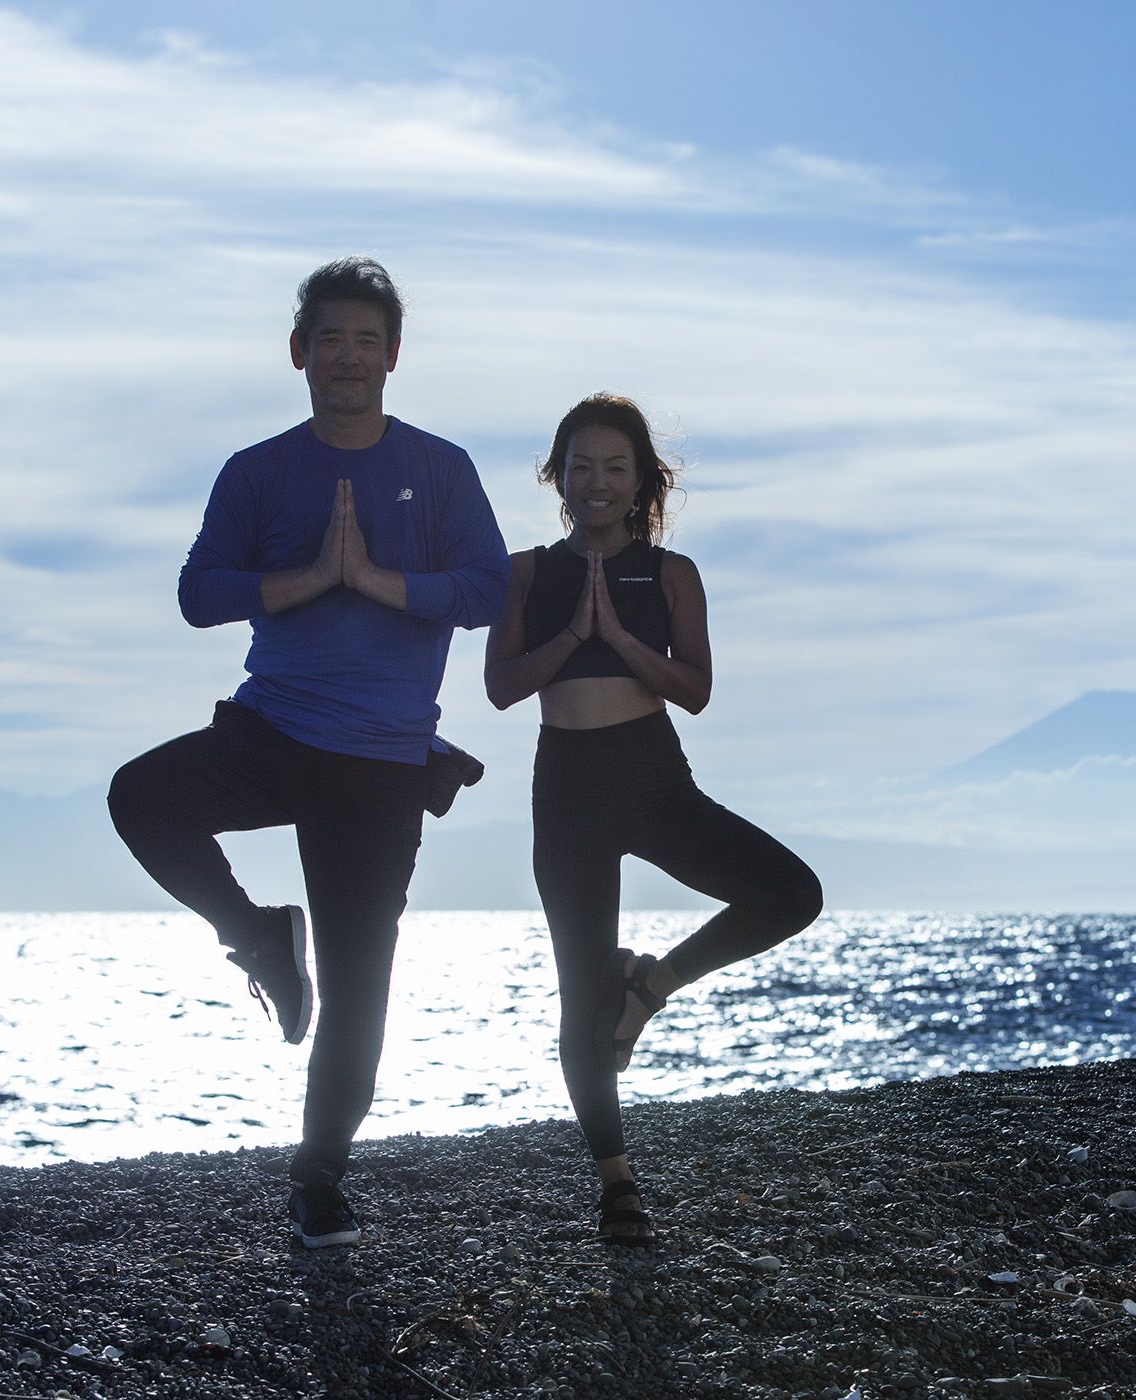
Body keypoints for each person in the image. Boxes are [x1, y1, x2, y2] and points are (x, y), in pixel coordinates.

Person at [108, 257, 508, 1249]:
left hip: (380, 761)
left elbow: (489, 590)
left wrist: (373, 578)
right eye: (331, 338)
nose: (349, 356)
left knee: (361, 983)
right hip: (272, 728)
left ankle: (317, 1176)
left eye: (368, 340)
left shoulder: (442, 468)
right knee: (141, 796)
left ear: (394, 357)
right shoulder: (259, 471)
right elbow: (200, 593)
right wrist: (304, 578)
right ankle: (258, 940)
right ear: (300, 354)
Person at [484, 393, 824, 1245]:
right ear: (556, 475)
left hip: (653, 778)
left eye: (616, 468)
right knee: (577, 1001)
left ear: (642, 481)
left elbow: (697, 689)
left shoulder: (673, 574)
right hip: (565, 792)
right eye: (582, 466)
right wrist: (573, 633)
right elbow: (500, 687)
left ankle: (654, 984)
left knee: (791, 893)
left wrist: (620, 638)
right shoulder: (524, 572)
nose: (597, 483)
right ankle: (616, 1183)